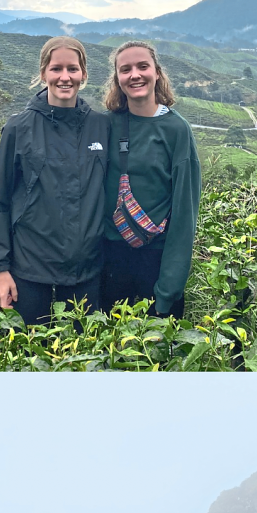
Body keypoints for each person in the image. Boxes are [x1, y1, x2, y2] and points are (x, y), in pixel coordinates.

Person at [0, 36, 111, 326]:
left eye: (72, 69)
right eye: (56, 69)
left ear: (84, 74)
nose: (64, 77)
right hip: (29, 269)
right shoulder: (19, 127)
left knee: (85, 358)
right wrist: (0, 269)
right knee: (28, 357)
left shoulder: (101, 126)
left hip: (87, 269)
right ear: (43, 74)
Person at [100, 40, 201, 318]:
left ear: (157, 72)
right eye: (126, 69)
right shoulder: (107, 124)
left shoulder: (176, 130)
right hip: (109, 265)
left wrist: (168, 289)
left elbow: (184, 214)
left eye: (143, 66)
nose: (135, 75)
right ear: (117, 79)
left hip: (155, 263)